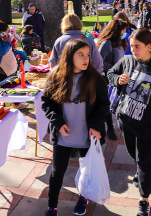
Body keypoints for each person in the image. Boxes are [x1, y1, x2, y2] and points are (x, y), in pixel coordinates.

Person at [107, 28, 151, 216]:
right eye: (131, 45)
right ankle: (139, 170)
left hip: (148, 127)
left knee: (145, 161)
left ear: (149, 46)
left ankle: (144, 199)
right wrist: (117, 80)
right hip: (126, 122)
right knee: (133, 155)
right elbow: (110, 73)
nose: (132, 50)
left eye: (137, 46)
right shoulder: (128, 61)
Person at [42, 39, 110, 216]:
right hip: (64, 135)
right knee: (57, 172)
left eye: (87, 54)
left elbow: (104, 104)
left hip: (87, 136)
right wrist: (57, 122)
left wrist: (96, 126)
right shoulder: (57, 76)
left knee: (86, 171)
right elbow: (46, 102)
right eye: (81, 54)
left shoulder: (95, 78)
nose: (86, 58)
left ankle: (83, 197)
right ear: (69, 56)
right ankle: (52, 207)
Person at [97, 19, 130, 140]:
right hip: (107, 79)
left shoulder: (121, 42)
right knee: (107, 105)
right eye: (124, 29)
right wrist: (114, 69)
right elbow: (99, 62)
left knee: (121, 103)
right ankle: (110, 128)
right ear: (117, 30)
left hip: (119, 78)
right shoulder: (107, 43)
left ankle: (123, 127)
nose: (125, 32)